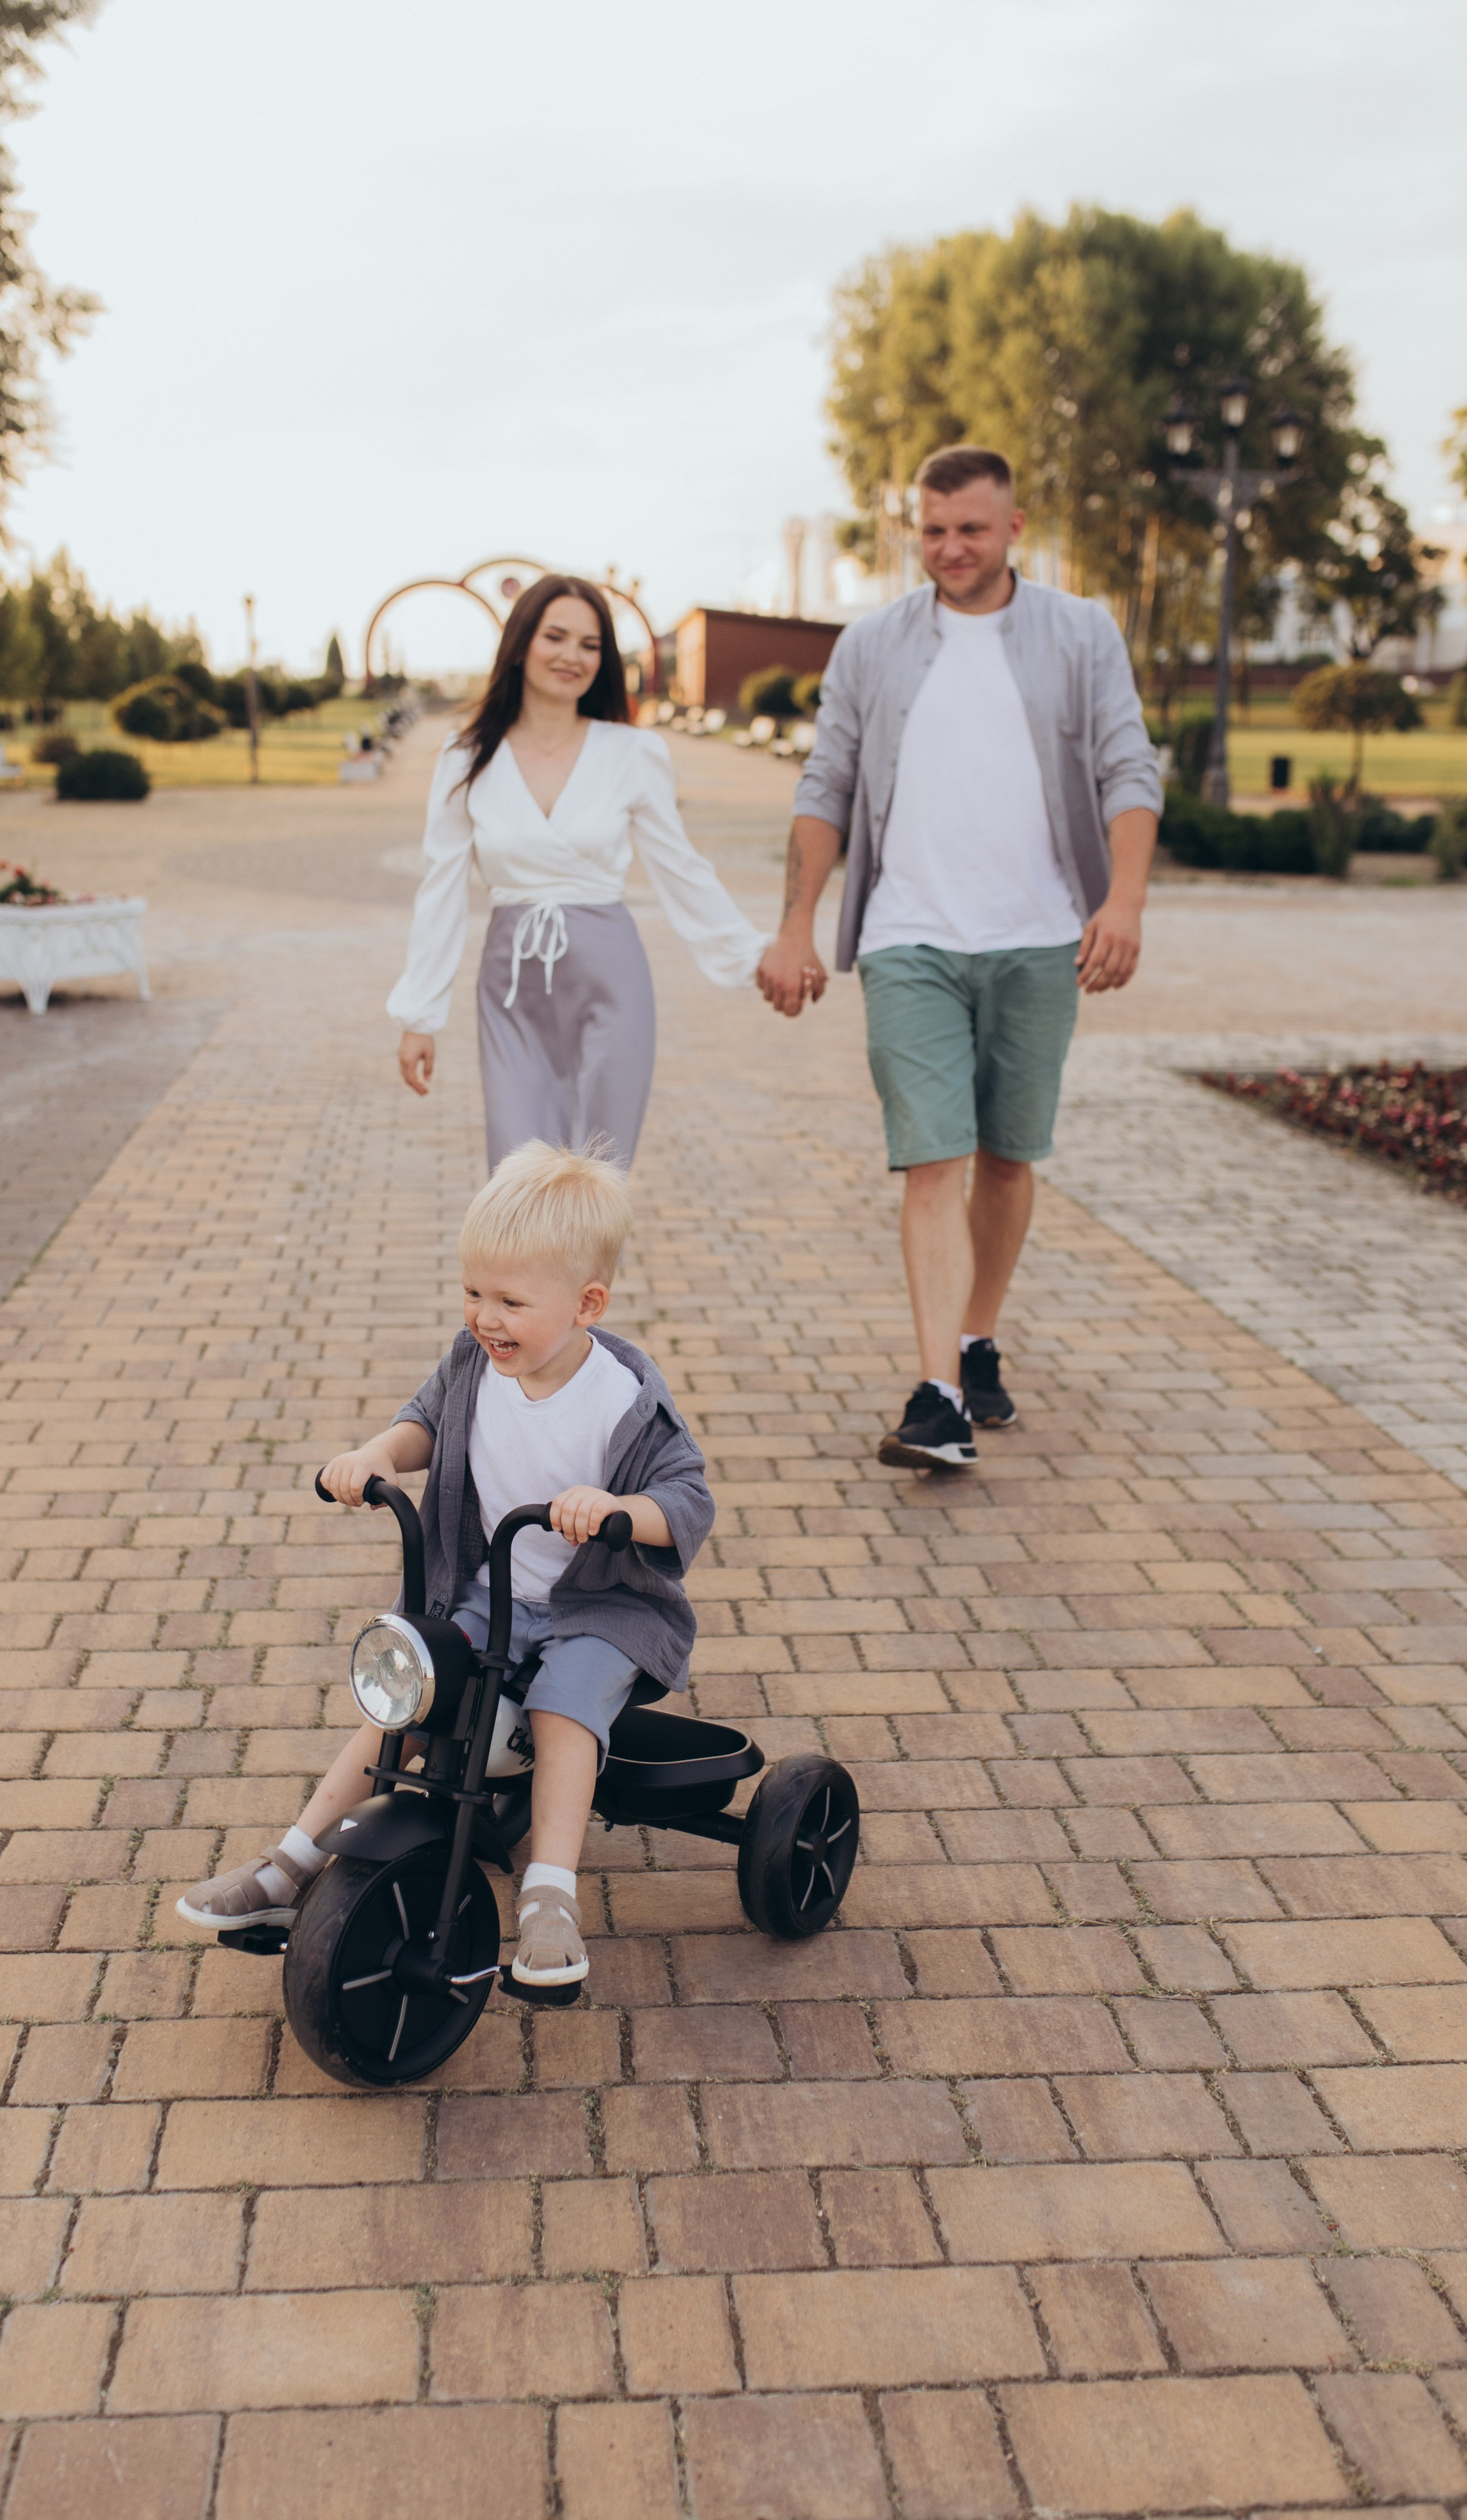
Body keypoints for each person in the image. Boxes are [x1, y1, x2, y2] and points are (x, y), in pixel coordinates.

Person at [177, 1141, 713, 1990]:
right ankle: (292, 1859)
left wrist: (618, 1513)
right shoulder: (474, 1364)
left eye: (510, 1301)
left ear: (587, 1303)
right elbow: (425, 1421)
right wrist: (376, 1454)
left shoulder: (623, 1398)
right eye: (472, 1293)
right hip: (490, 1593)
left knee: (562, 1705)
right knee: (411, 1684)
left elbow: (686, 1499)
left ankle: (549, 1894)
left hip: (603, 1610)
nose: (485, 1318)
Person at [757, 444, 1162, 1469]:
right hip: (910, 938)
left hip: (1037, 937)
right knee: (932, 1158)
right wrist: (797, 924)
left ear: (1014, 526)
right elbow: (826, 785)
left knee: (1007, 1156)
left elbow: (1127, 762)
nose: (949, 549)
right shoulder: (873, 644)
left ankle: (979, 1334)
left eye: (971, 529)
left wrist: (1124, 900)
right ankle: (937, 1393)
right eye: (933, 531)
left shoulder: (1079, 632)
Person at [387, 574, 767, 1168]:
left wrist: (751, 954)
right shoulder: (466, 757)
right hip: (512, 988)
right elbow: (440, 888)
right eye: (556, 637)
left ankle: (592, 1270)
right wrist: (420, 1016)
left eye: (590, 645)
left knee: (598, 1178)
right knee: (519, 1177)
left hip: (610, 982)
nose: (572, 656)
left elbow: (681, 870)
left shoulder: (632, 754)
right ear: (521, 644)